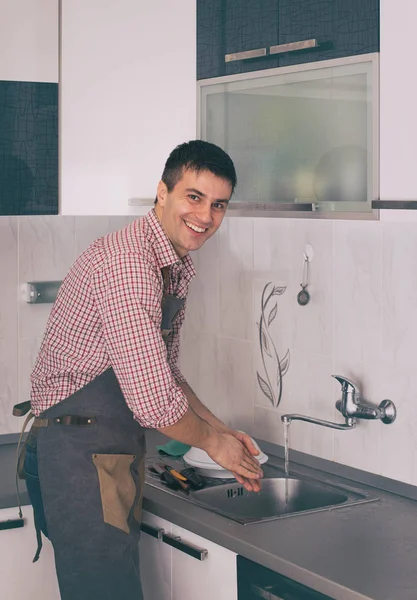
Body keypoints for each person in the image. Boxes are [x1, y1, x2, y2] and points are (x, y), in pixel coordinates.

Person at [22, 140, 263, 600]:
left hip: (108, 452)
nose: (206, 216)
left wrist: (222, 432)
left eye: (218, 205)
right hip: (78, 455)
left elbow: (164, 374)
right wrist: (213, 445)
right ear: (162, 193)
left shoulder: (171, 265)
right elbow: (153, 403)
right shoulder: (130, 265)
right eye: (194, 197)